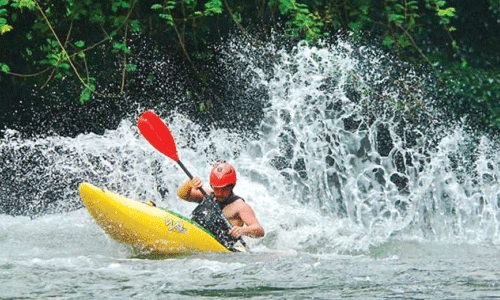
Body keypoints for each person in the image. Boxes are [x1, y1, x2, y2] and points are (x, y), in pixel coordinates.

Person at [177, 162, 265, 240]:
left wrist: (242, 230)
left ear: (231, 186)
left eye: (223, 189)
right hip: (193, 238)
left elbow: (259, 230)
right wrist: (189, 183)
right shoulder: (207, 195)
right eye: (216, 188)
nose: (219, 193)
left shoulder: (240, 206)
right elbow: (183, 195)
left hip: (217, 251)